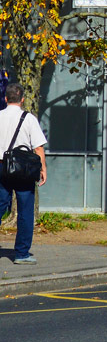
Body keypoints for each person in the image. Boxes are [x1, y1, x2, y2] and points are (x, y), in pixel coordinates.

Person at [0, 86, 46, 265]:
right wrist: (43, 169)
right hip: (22, 168)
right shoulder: (29, 119)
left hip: (1, 166)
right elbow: (38, 147)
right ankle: (21, 253)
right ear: (22, 100)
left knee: (1, 204)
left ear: (5, 99)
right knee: (25, 210)